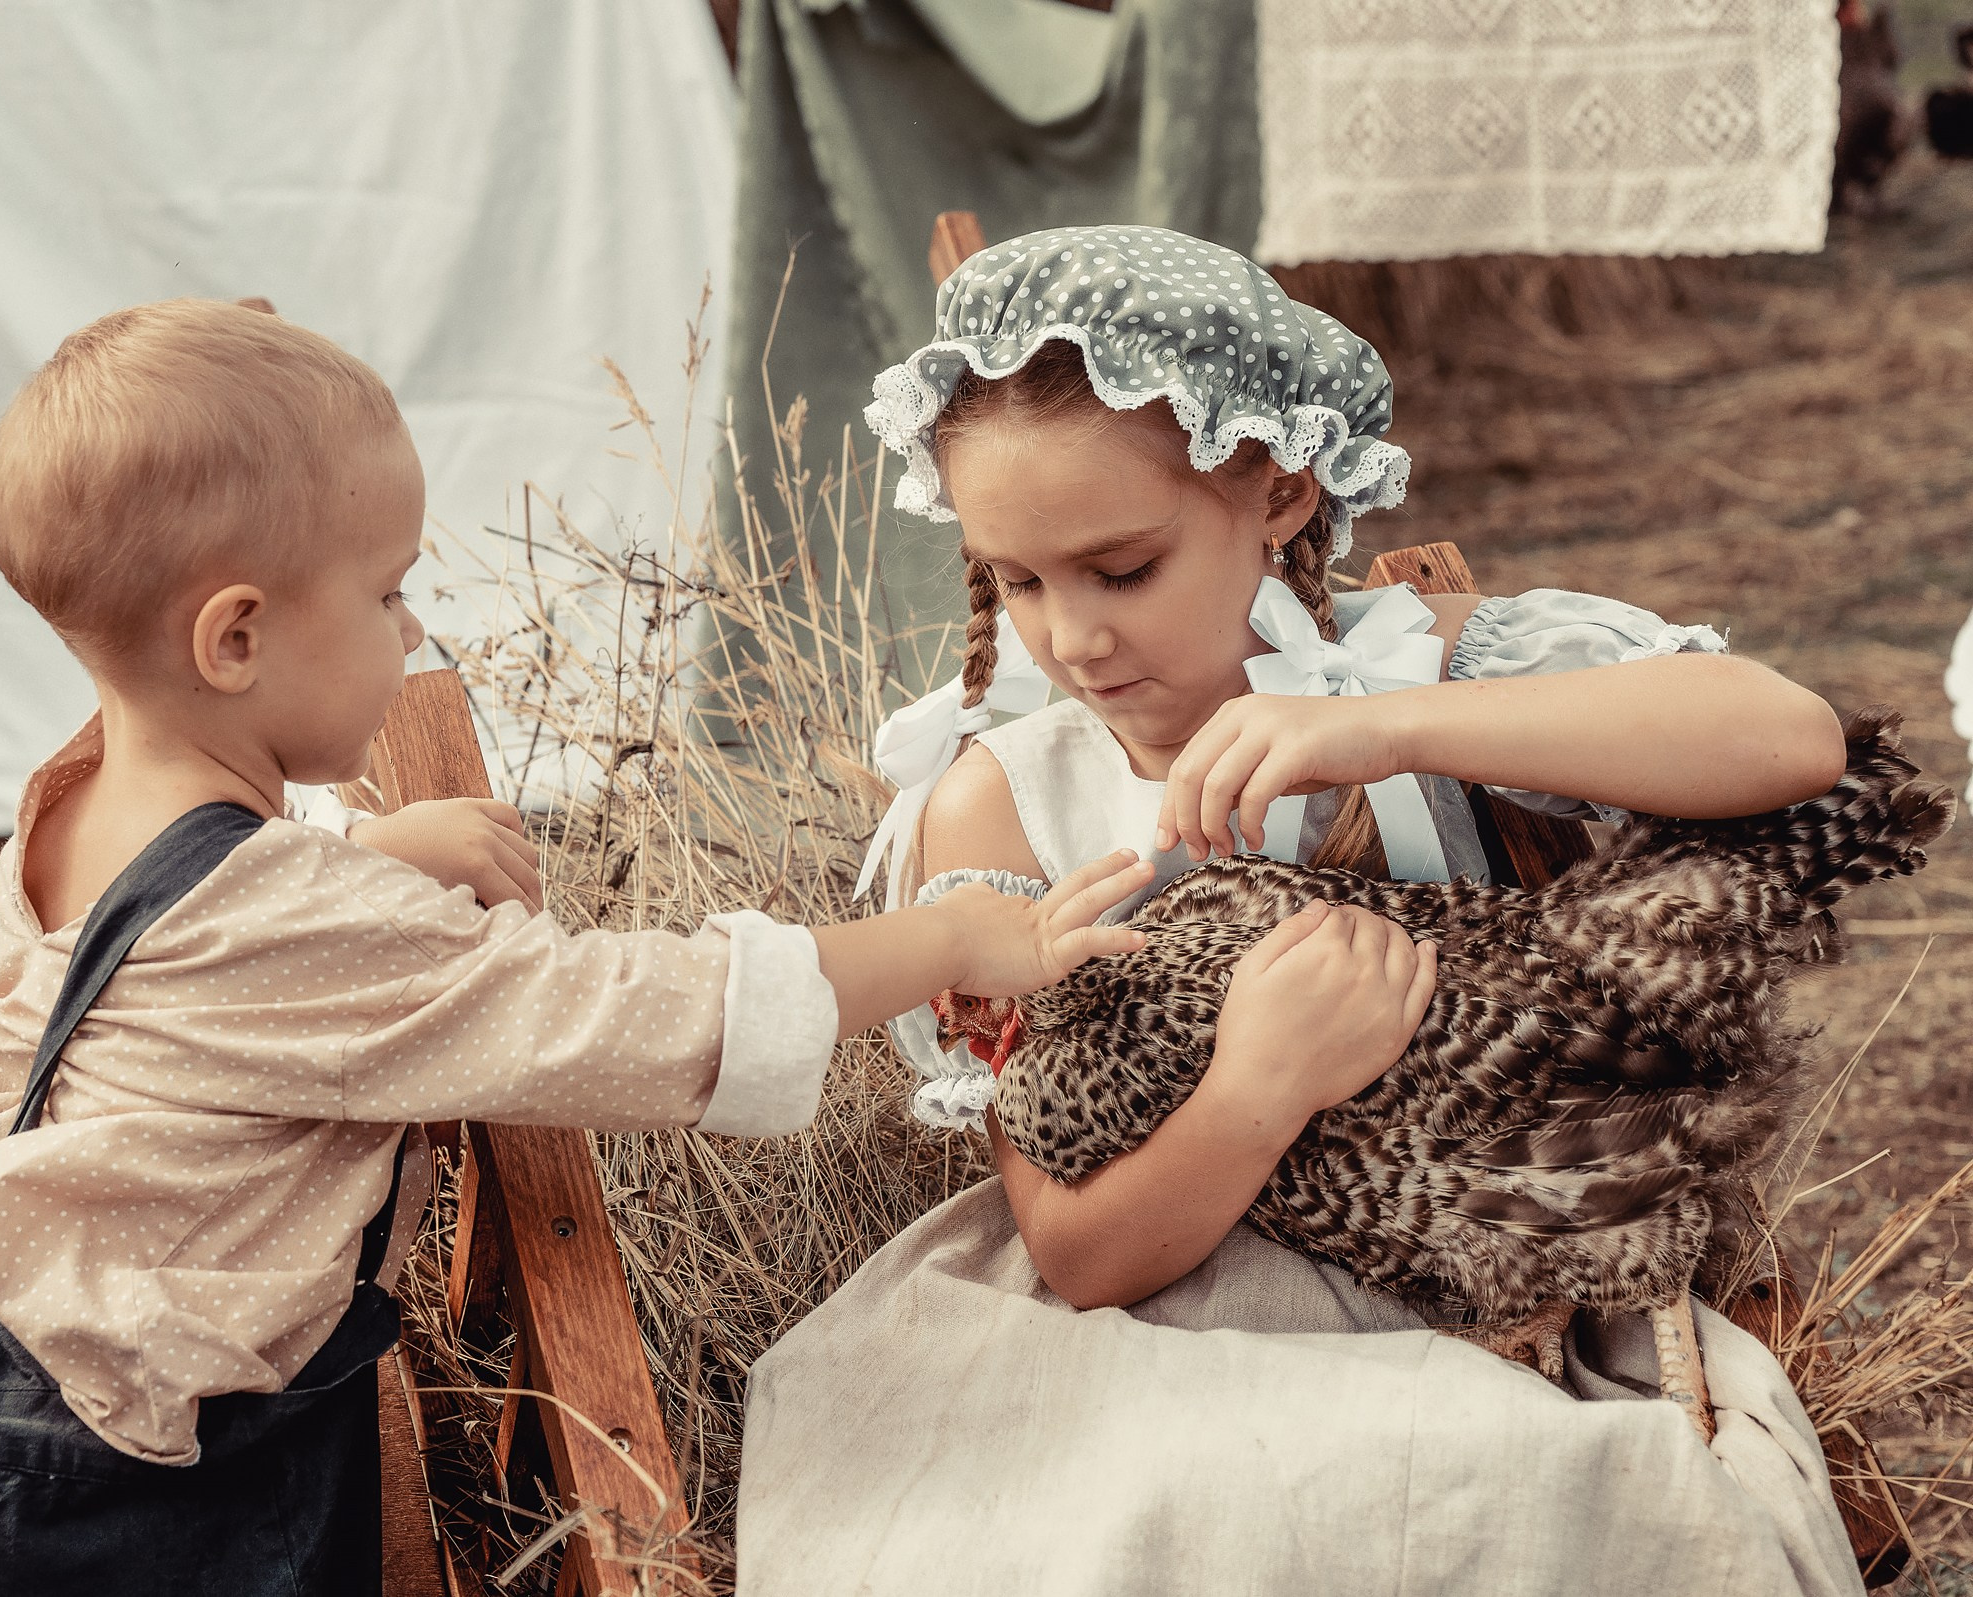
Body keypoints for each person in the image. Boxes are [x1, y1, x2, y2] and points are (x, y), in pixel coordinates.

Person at [0, 297, 1154, 1597]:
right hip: (170, 1505)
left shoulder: (73, 807)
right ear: (235, 638)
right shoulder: (294, 919)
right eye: (387, 591)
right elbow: (644, 1013)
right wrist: (943, 935)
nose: (411, 629)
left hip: (29, 1400)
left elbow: (178, 958)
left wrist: (370, 852)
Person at [736, 227, 1866, 1596]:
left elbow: (1793, 739)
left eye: (1122, 569)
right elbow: (1081, 1254)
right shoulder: (1003, 809)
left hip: (1491, 1280)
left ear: (1274, 488)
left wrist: (1385, 728)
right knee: (1196, 1505)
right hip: (1168, 1316)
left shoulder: (1418, 670)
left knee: (1519, 1493)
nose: (1074, 640)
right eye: (1017, 582)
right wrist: (1260, 1086)